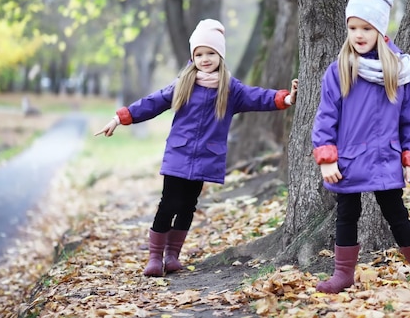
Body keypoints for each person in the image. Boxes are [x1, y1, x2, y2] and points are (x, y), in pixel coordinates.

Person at [96, 19, 298, 277]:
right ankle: (154, 258)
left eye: (210, 53)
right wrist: (120, 118)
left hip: (207, 156)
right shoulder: (183, 83)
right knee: (168, 203)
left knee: (188, 205)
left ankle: (172, 255)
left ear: (220, 56)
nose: (204, 59)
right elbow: (153, 102)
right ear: (193, 56)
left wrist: (286, 98)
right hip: (179, 154)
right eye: (199, 54)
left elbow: (258, 96)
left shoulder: (230, 88)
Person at [311, 0, 410, 293]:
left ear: (380, 29)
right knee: (347, 214)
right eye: (353, 28)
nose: (359, 35)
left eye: (366, 27)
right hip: (348, 159)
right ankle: (343, 274)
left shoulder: (399, 68)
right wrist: (326, 158)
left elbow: (409, 119)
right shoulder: (339, 70)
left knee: (397, 214)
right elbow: (325, 117)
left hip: (385, 159)